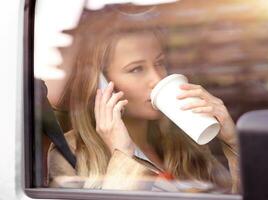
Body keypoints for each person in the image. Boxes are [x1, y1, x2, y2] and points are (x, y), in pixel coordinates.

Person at [47, 25, 240, 193]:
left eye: (160, 63)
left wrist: (234, 143)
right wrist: (121, 154)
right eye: (136, 69)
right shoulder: (71, 153)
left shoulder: (182, 142)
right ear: (102, 84)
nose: (157, 79)